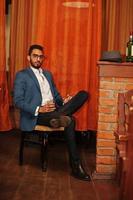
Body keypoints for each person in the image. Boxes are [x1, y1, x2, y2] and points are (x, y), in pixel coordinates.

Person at [13, 44, 91, 181]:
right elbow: (17, 101)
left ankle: (58, 118)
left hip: (54, 111)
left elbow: (56, 96)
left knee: (83, 94)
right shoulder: (22, 75)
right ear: (28, 57)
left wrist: (64, 102)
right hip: (37, 115)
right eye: (35, 56)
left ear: (43, 58)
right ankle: (76, 167)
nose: (38, 59)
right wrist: (38, 108)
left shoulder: (48, 74)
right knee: (70, 120)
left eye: (40, 56)